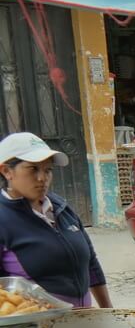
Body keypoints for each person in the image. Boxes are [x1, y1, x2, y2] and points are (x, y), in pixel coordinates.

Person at [0, 132, 111, 308]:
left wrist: (109, 312)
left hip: (84, 323)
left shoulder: (60, 207)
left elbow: (91, 263)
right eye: (33, 169)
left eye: (48, 170)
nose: (42, 178)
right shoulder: (3, 218)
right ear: (7, 171)